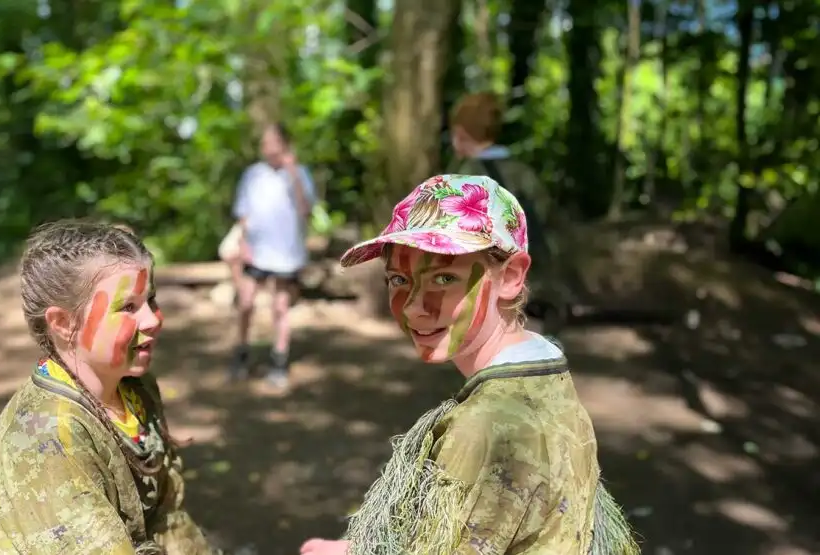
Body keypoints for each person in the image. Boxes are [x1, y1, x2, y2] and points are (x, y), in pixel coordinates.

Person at [299, 175, 639, 555]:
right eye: (398, 279)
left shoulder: (484, 429)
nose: (413, 306)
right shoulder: (550, 380)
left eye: (445, 277)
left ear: (510, 276)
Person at [0, 220, 217, 554]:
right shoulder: (48, 438)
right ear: (63, 323)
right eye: (128, 307)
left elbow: (168, 517)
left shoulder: (135, 386)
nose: (153, 319)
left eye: (151, 300)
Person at [449, 92, 567, 332]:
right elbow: (545, 217)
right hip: (527, 276)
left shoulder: (466, 176)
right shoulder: (522, 171)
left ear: (460, 134)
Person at [230, 122, 316, 389]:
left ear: (284, 144)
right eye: (264, 142)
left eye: (272, 142)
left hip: (286, 252)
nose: (267, 147)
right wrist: (243, 243)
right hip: (257, 250)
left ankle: (279, 359)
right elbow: (243, 213)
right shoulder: (252, 174)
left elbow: (305, 210)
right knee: (246, 302)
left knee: (280, 307)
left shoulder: (300, 173)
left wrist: (292, 171)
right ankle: (242, 353)